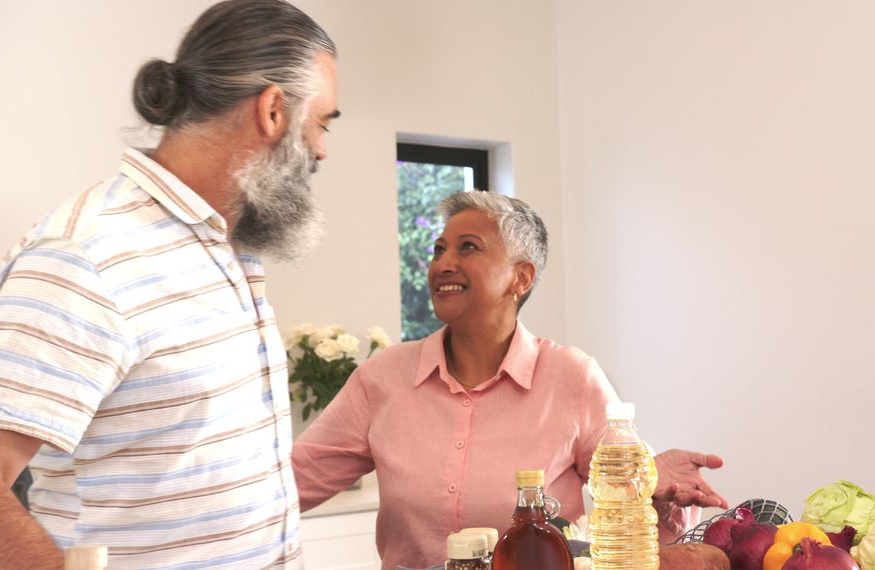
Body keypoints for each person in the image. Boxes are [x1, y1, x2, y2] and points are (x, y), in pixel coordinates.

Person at [0, 1, 339, 568]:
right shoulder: (88, 256)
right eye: (321, 123)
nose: (322, 149)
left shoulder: (231, 248)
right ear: (272, 110)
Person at [293, 192, 727, 569]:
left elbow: (632, 508)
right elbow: (290, 482)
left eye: (467, 248)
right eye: (439, 249)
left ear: (521, 278)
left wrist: (658, 489)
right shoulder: (382, 378)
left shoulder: (572, 377)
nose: (443, 264)